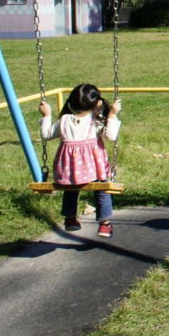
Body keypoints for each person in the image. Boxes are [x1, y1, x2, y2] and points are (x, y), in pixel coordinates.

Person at [38, 84, 122, 238]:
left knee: (70, 189)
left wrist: (47, 115)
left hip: (69, 171)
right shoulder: (95, 121)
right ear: (98, 103)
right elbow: (111, 136)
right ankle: (104, 225)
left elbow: (46, 135)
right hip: (94, 170)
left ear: (70, 103)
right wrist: (113, 114)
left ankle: (70, 219)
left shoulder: (64, 120)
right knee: (102, 190)